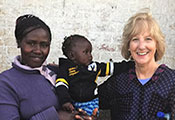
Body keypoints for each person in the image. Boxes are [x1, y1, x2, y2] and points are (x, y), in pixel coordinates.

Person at [98, 10, 175, 120]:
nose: (141, 46)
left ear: (157, 44)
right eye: (135, 39)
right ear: (128, 46)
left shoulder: (171, 80)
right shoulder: (118, 80)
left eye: (148, 39)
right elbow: (91, 102)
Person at [55, 34, 134, 116]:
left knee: (89, 116)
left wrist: (130, 65)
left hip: (91, 102)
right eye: (86, 52)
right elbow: (61, 86)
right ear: (72, 55)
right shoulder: (65, 69)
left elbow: (110, 68)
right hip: (72, 103)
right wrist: (65, 101)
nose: (90, 56)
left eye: (90, 52)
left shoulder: (93, 67)